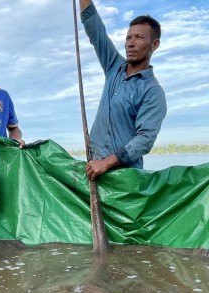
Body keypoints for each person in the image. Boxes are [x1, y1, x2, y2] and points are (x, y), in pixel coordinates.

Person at [79, 0, 167, 180]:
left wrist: (107, 162)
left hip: (126, 179)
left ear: (154, 44)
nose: (131, 43)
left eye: (139, 38)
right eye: (128, 37)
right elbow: (95, 29)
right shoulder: (113, 66)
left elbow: (144, 140)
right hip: (94, 170)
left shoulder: (153, 91)